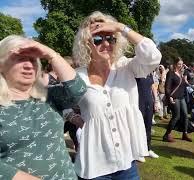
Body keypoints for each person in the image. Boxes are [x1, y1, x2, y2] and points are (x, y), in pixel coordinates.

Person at [72, 11, 161, 179]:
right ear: (86, 44)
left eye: (110, 38)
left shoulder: (126, 67)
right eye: (98, 39)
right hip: (94, 166)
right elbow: (56, 102)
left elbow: (152, 56)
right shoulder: (77, 76)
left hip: (126, 164)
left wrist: (120, 27)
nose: (105, 44)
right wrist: (71, 117)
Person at [0, 35, 87, 179]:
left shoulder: (49, 96)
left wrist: (51, 55)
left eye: (33, 59)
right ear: (1, 64)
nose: (29, 65)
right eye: (20, 59)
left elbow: (78, 89)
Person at [162, 57, 192, 142]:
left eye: (182, 64)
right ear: (175, 64)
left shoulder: (181, 73)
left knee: (186, 115)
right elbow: (167, 87)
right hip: (174, 97)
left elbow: (182, 84)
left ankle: (185, 133)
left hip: (181, 97)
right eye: (179, 64)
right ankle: (166, 135)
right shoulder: (171, 73)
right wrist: (169, 97)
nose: (181, 66)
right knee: (176, 116)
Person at [136, 73, 159, 159]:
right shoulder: (136, 73)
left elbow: (153, 87)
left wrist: (156, 101)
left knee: (148, 126)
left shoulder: (149, 73)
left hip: (149, 100)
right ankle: (138, 151)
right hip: (138, 101)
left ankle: (148, 149)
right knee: (139, 126)